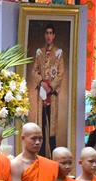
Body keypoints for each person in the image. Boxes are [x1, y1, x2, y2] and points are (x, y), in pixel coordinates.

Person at [32, 23, 64, 157]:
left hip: (52, 95)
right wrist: (41, 82)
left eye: (51, 33)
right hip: (42, 95)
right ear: (44, 35)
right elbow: (35, 70)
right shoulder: (39, 52)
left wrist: (50, 86)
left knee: (52, 127)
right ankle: (42, 155)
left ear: (54, 36)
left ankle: (54, 156)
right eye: (47, 33)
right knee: (42, 125)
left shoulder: (58, 53)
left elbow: (60, 73)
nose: (49, 36)